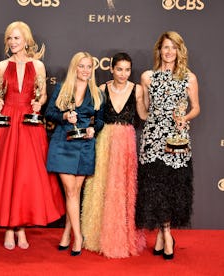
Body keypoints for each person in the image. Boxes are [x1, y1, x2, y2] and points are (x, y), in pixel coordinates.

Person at [0, 21, 65, 250]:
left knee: (25, 178)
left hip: (30, 122)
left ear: (27, 40)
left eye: (17, 38)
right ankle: (9, 228)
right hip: (7, 122)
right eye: (10, 38)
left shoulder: (38, 66)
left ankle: (21, 228)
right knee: (6, 176)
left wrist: (39, 104)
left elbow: (43, 95)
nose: (12, 42)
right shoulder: (1, 66)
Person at [135, 31, 200, 260]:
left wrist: (185, 118)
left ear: (179, 51)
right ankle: (165, 234)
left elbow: (196, 108)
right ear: (159, 50)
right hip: (152, 139)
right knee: (156, 188)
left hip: (176, 140)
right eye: (165, 47)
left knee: (173, 188)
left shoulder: (189, 77)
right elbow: (143, 112)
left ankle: (166, 234)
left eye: (173, 47)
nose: (169, 51)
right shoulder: (147, 77)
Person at [81, 52, 147, 258]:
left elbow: (144, 116)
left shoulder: (137, 90)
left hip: (126, 143)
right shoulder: (102, 89)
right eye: (119, 69)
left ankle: (121, 237)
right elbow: (94, 116)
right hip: (104, 141)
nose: (123, 74)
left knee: (123, 189)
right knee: (101, 185)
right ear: (111, 69)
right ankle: (94, 236)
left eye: (127, 70)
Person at [46, 52, 104, 256]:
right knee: (71, 191)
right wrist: (63, 115)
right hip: (63, 143)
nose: (85, 70)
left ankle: (67, 232)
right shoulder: (63, 88)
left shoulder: (97, 93)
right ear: (74, 67)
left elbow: (100, 120)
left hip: (85, 145)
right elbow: (49, 112)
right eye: (81, 66)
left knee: (75, 192)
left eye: (89, 67)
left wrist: (93, 128)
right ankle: (78, 237)